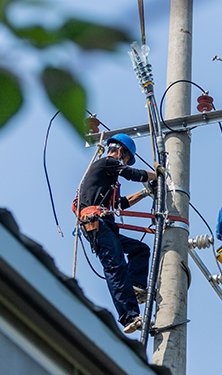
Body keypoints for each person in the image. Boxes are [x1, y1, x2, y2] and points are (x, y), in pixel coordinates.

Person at [77, 133, 159, 334]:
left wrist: (145, 192)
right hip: (97, 224)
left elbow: (120, 204)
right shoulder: (107, 163)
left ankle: (136, 286)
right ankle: (130, 316)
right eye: (126, 159)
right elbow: (132, 174)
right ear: (121, 152)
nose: (124, 162)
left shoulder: (107, 180)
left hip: (105, 225)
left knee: (140, 250)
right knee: (116, 266)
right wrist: (157, 176)